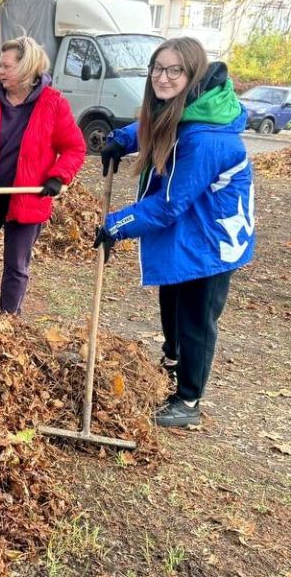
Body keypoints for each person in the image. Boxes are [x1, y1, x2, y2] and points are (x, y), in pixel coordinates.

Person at [95, 37, 254, 428]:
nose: (162, 78)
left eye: (174, 70)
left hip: (213, 240)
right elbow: (158, 120)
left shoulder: (205, 139)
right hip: (192, 228)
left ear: (192, 74)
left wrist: (117, 224)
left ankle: (188, 400)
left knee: (196, 318)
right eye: (157, 68)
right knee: (171, 301)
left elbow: (168, 205)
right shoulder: (186, 107)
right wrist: (123, 139)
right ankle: (172, 360)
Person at [0, 36, 86, 315]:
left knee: (16, 266)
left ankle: (8, 321)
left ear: (27, 67)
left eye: (7, 66)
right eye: (0, 66)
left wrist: (58, 177)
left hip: (27, 198)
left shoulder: (53, 104)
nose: (0, 71)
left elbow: (74, 148)